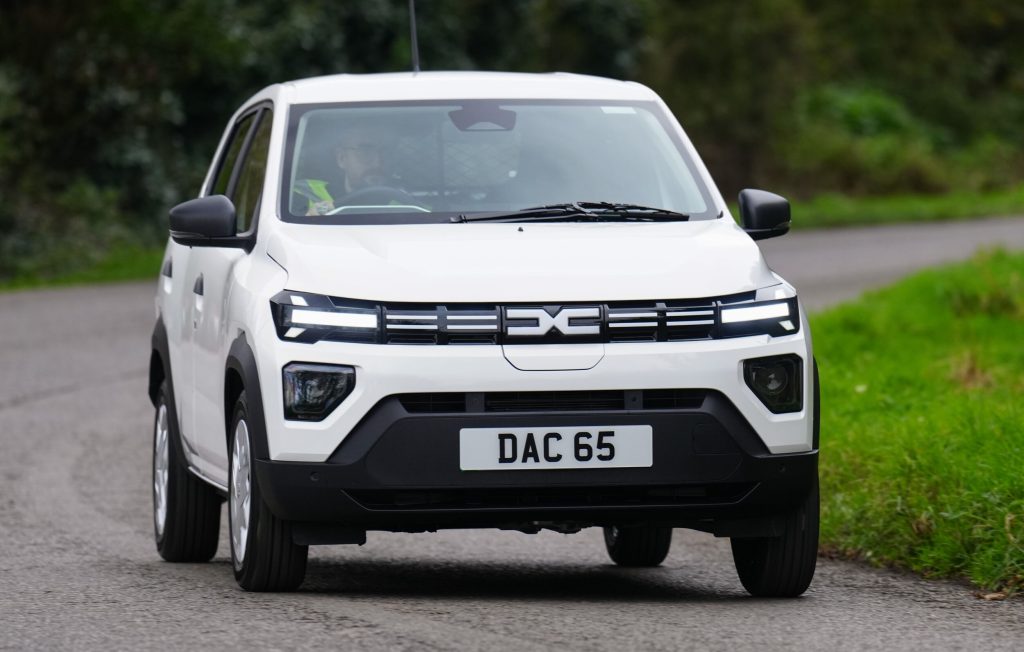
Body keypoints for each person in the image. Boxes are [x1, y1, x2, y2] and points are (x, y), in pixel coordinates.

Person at [292, 124, 397, 216]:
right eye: (365, 151)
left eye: (386, 152)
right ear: (341, 158)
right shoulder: (305, 194)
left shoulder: (407, 201)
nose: (378, 162)